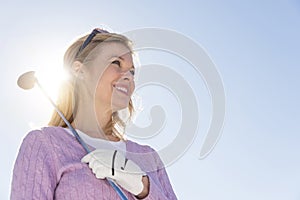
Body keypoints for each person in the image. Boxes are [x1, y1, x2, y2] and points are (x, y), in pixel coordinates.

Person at [10, 28, 177, 200]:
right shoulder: (45, 144)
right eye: (116, 63)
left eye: (132, 71)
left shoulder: (148, 157)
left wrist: (142, 186)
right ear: (79, 71)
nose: (128, 76)